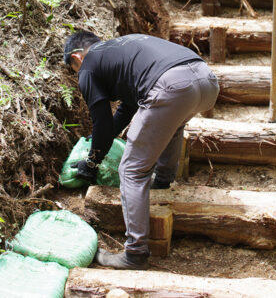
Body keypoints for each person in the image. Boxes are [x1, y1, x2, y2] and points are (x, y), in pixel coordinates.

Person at [63, 30, 219, 270]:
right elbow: (126, 110)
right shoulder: (123, 49)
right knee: (172, 125)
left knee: (131, 170)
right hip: (206, 80)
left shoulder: (88, 66)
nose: (79, 76)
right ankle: (163, 182)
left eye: (74, 70)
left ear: (77, 58)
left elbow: (102, 123)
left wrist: (91, 163)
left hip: (172, 86)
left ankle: (134, 253)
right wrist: (99, 141)